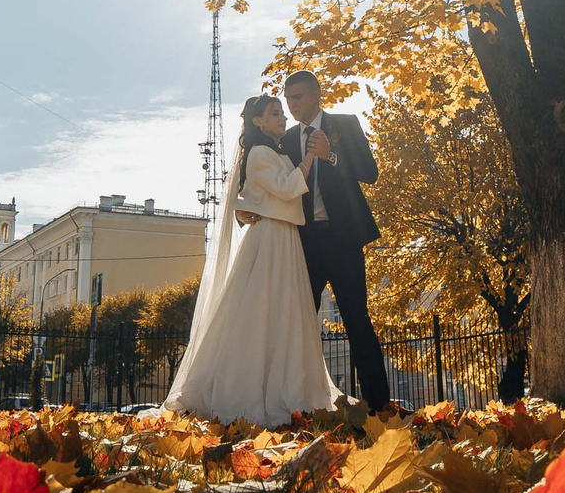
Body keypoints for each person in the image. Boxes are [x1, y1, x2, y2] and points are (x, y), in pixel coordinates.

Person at [162, 95, 340, 425]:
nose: (283, 118)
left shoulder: (274, 152)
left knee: (282, 312)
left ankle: (285, 385)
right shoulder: (259, 153)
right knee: (262, 311)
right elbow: (287, 189)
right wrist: (311, 158)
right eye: (275, 113)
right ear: (257, 121)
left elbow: (255, 196)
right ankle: (247, 389)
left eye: (283, 113)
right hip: (271, 238)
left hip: (284, 236)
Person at [281, 68, 393, 411]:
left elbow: (370, 173)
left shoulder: (345, 124)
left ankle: (378, 406)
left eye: (298, 97)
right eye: (287, 99)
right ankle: (296, 403)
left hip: (342, 239)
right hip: (303, 242)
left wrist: (330, 156)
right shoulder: (285, 139)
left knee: (357, 319)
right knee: (299, 323)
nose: (292, 105)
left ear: (316, 94)